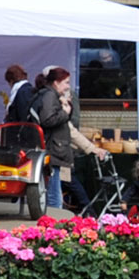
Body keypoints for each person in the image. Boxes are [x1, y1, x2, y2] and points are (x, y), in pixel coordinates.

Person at [32, 66, 100, 211]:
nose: (68, 86)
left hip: (53, 149)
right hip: (54, 150)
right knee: (54, 197)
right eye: (66, 82)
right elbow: (48, 120)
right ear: (56, 82)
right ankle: (53, 228)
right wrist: (65, 112)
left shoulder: (46, 95)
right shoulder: (50, 96)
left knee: (54, 193)